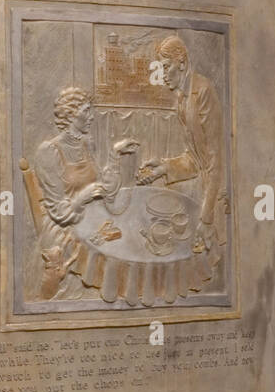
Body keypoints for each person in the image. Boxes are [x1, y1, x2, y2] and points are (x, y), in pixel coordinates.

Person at [136, 36, 227, 256]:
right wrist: (164, 167)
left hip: (214, 195)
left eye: (166, 67)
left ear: (182, 64)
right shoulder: (181, 99)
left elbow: (215, 160)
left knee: (211, 257)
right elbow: (195, 159)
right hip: (203, 192)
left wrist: (206, 217)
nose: (163, 75)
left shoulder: (202, 92)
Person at [30, 86, 118, 298]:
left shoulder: (87, 143)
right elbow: (59, 212)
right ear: (70, 114)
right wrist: (83, 197)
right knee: (112, 250)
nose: (91, 117)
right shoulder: (49, 151)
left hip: (92, 219)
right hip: (63, 229)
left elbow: (104, 188)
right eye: (86, 111)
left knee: (125, 238)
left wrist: (115, 155)